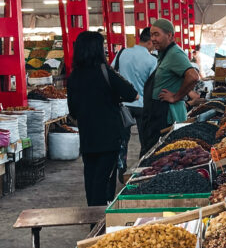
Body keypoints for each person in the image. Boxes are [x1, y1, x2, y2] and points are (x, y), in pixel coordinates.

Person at [66, 31, 137, 206]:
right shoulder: (105, 71)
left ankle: (93, 219)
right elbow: (133, 95)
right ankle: (100, 223)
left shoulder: (74, 76)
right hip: (109, 137)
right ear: (97, 50)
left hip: (88, 137)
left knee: (91, 179)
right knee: (103, 179)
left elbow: (73, 111)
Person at [141, 19, 200, 151]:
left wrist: (176, 97)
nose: (153, 39)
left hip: (165, 113)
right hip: (156, 112)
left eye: (157, 34)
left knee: (161, 152)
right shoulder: (164, 54)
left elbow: (193, 76)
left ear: (169, 35)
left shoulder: (175, 54)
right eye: (151, 35)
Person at [112, 27, 157, 180]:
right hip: (143, 106)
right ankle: (141, 170)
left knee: (122, 140)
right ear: (150, 41)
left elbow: (112, 74)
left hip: (123, 106)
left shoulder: (122, 53)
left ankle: (121, 168)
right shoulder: (152, 60)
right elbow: (154, 86)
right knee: (145, 141)